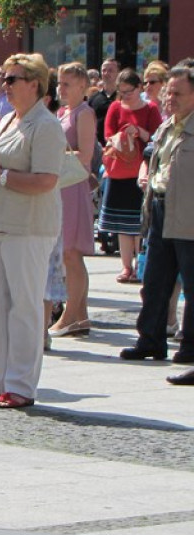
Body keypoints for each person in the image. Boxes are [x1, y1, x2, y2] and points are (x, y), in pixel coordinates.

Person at [0, 53, 67, 410]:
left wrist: (0, 176)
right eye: (3, 78)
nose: (4, 86)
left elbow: (47, 181)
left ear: (35, 84)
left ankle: (21, 385)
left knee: (24, 306)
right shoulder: (8, 119)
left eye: (12, 79)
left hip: (29, 228)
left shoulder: (46, 125)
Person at [123, 65, 194, 370]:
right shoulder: (166, 127)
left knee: (191, 286)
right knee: (154, 280)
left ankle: (190, 348)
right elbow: (152, 160)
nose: (169, 98)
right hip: (161, 209)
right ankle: (150, 339)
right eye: (168, 92)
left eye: (177, 93)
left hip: (189, 214)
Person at [99, 68, 161, 283]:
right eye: (122, 91)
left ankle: (139, 265)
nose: (125, 96)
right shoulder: (115, 107)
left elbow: (156, 137)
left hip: (141, 172)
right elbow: (107, 134)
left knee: (138, 223)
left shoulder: (151, 109)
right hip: (119, 171)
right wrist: (120, 136)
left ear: (139, 88)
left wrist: (140, 132)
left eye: (129, 91)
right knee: (122, 226)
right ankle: (126, 267)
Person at [48, 63, 97, 338]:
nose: (61, 88)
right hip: (61, 185)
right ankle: (81, 315)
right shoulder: (62, 112)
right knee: (68, 253)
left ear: (82, 86)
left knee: (71, 253)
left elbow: (86, 155)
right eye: (59, 83)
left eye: (67, 83)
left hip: (73, 186)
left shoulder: (84, 113)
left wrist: (52, 158)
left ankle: (69, 316)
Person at [89, 59, 119, 145]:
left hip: (117, 147)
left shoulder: (124, 98)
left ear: (118, 73)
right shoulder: (93, 98)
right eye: (104, 70)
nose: (106, 73)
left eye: (110, 70)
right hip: (97, 147)